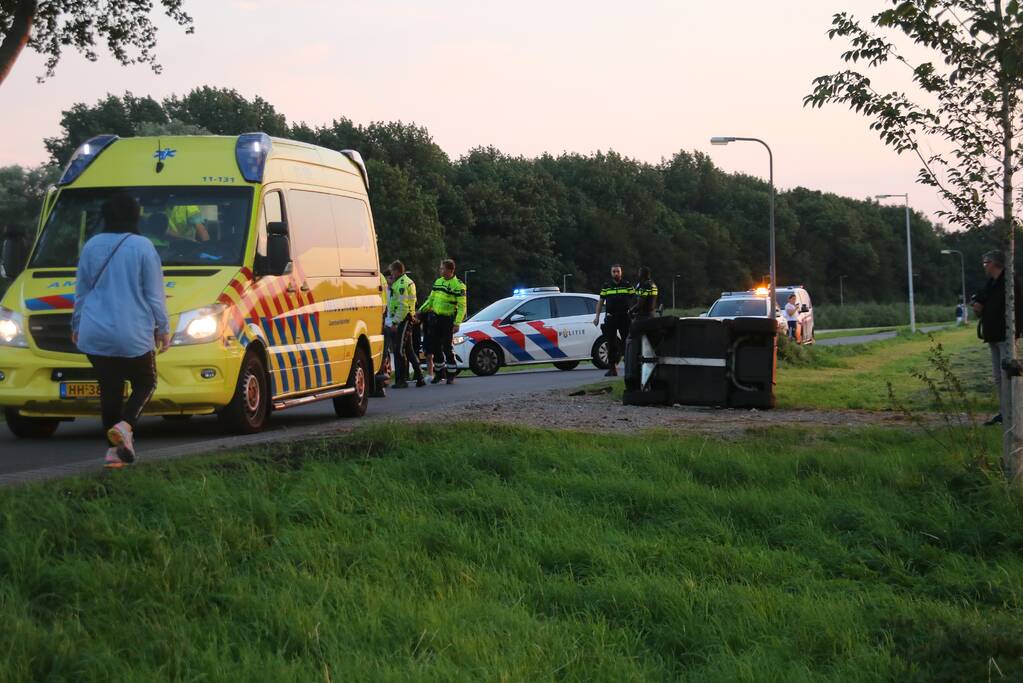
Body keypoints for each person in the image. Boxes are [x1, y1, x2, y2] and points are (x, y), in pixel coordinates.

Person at [71, 193, 170, 468]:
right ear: (135, 216)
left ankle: (114, 454)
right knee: (146, 382)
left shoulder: (91, 245)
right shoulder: (142, 246)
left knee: (110, 390)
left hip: (94, 331)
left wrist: (76, 325)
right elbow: (154, 295)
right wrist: (164, 328)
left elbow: (81, 291)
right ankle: (126, 426)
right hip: (132, 330)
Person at [971, 250, 1022, 426]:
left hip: (1005, 335)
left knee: (1008, 375)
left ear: (994, 263)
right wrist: (978, 304)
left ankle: (1013, 413)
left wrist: (1015, 333)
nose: (984, 265)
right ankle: (1004, 412)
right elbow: (983, 298)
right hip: (993, 334)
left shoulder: (1010, 282)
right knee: (999, 377)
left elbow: (1018, 307)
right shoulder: (992, 283)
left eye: (986, 262)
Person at [418, 259, 466, 384]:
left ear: (450, 270)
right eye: (440, 268)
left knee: (447, 347)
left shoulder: (458, 285)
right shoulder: (438, 282)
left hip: (447, 319)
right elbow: (431, 299)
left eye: (442, 268)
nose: (440, 270)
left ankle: (451, 374)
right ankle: (439, 373)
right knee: (435, 346)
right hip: (435, 318)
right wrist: (420, 311)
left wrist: (457, 323)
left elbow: (462, 306)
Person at [388, 260, 425, 388]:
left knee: (399, 350)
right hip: (407, 319)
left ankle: (401, 380)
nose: (391, 274)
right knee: (409, 350)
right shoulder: (403, 282)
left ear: (397, 271)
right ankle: (420, 377)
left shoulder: (401, 284)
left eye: (392, 271)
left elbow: (403, 306)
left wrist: (395, 322)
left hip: (404, 320)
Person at [593, 264, 634, 377]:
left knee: (627, 341)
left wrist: (633, 312)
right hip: (611, 317)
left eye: (618, 271)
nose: (616, 273)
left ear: (621, 273)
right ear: (611, 273)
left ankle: (629, 367)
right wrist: (596, 317)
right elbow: (600, 302)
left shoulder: (627, 285)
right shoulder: (606, 286)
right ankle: (612, 368)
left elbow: (634, 299)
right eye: (614, 271)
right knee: (611, 343)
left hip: (624, 317)